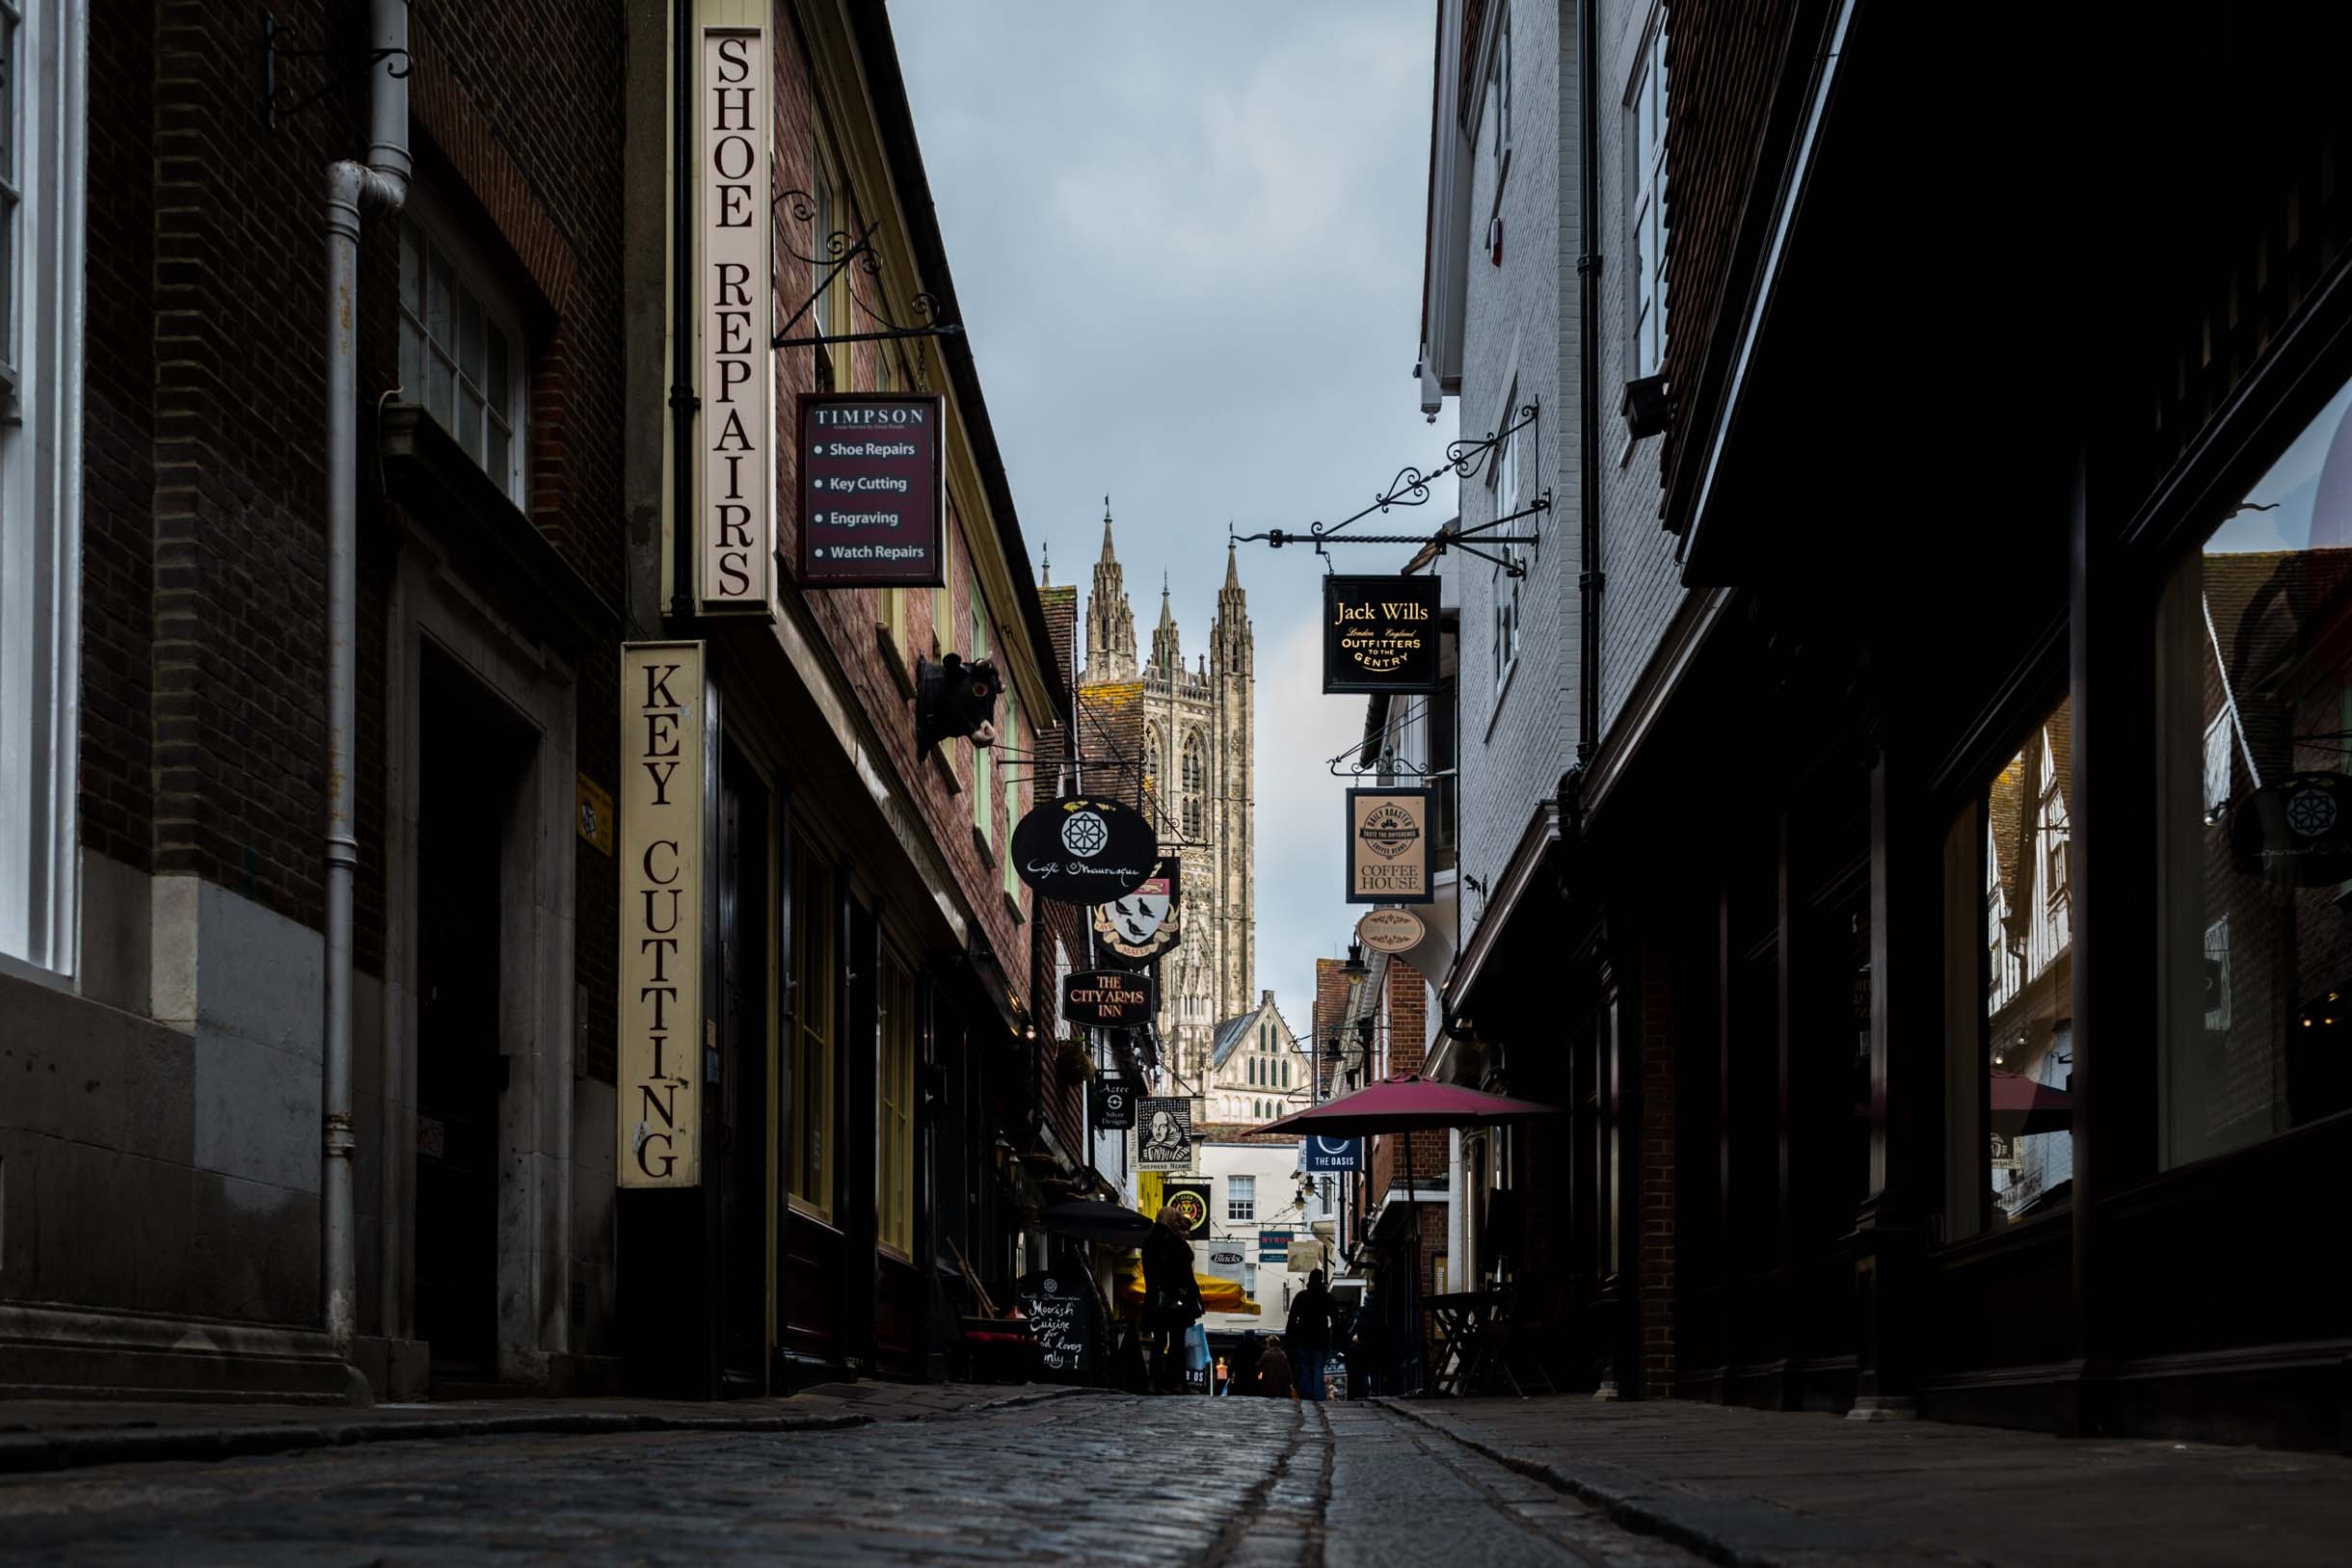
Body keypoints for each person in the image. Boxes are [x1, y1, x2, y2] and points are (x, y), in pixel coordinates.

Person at [1141, 1205, 1201, 1394]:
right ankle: (1178, 1382)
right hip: (1176, 1301)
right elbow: (1185, 1276)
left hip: (1154, 1299)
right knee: (1177, 1343)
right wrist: (1195, 1298)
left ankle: (1154, 1382)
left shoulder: (1149, 1241)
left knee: (1159, 1342)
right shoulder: (1176, 1244)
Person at [1284, 1268, 1344, 1403]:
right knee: (1318, 1368)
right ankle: (1318, 1397)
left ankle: (1306, 1397)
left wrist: (1289, 1340)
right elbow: (1335, 1321)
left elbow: (1292, 1319)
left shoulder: (1301, 1296)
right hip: (1321, 1338)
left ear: (1310, 1280)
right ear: (1321, 1279)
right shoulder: (1327, 1297)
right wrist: (1335, 1341)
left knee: (1305, 1368)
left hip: (1303, 1338)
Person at [1255, 1335, 1296, 1399]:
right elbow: (1288, 1369)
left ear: (1269, 1343)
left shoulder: (1267, 1353)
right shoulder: (1282, 1354)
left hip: (1269, 1386)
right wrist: (1290, 1381)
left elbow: (1259, 1366)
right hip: (1282, 1387)